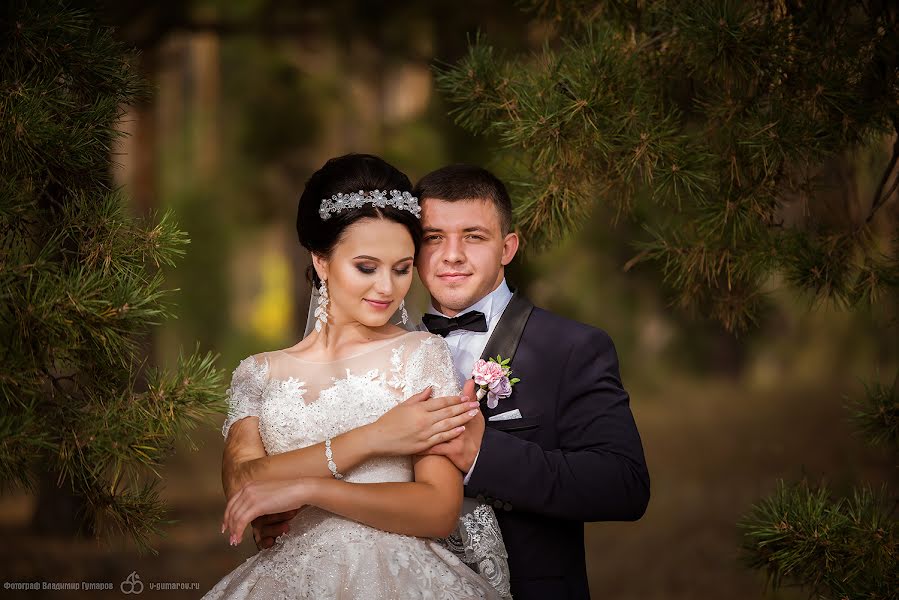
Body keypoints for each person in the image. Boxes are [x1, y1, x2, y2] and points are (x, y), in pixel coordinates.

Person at [205, 154, 508, 599]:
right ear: (322, 261)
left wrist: (309, 488)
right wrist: (374, 437)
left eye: (402, 268)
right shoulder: (257, 374)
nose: (386, 288)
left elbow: (438, 510)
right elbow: (244, 483)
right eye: (366, 267)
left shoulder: (420, 355)